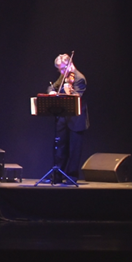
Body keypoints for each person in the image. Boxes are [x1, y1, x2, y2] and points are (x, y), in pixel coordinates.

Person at [46, 54, 89, 183]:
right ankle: (57, 176)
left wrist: (68, 91)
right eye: (59, 69)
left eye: (63, 68)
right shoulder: (63, 76)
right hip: (63, 117)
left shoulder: (80, 78)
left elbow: (77, 97)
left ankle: (72, 176)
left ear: (70, 64)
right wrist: (51, 92)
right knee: (60, 147)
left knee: (74, 149)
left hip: (76, 119)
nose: (62, 72)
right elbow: (52, 86)